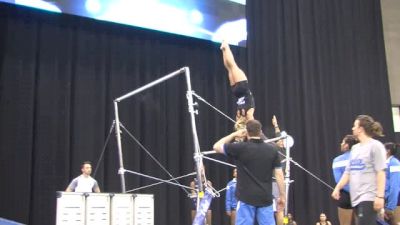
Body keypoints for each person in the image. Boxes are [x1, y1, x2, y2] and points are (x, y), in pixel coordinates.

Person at [213, 119, 285, 225]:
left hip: (245, 199)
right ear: (260, 132)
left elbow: (216, 146)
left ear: (247, 132)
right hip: (265, 197)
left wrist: (234, 134)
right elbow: (279, 174)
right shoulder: (272, 150)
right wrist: (282, 196)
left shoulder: (240, 148)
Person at [331, 115, 386, 225]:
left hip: (368, 197)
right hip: (355, 198)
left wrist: (380, 196)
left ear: (360, 129)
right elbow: (348, 172)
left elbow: (381, 172)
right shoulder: (355, 149)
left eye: (354, 126)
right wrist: (337, 187)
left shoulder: (376, 146)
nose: (352, 128)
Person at [220, 40, 255, 122]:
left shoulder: (249, 114)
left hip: (243, 88)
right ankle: (224, 50)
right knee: (229, 68)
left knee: (233, 66)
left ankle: (226, 46)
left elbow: (253, 123)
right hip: (236, 92)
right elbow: (240, 122)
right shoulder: (240, 115)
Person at [332, 135, 358, 225]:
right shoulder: (361, 157)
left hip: (345, 196)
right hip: (360, 194)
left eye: (343, 142)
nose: (341, 144)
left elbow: (338, 180)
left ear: (347, 145)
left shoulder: (337, 160)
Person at [384, 142, 400, 225]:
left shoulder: (394, 163)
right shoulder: (384, 163)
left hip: (394, 201)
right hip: (385, 201)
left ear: (387, 151)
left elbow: (395, 186)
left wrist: (390, 207)